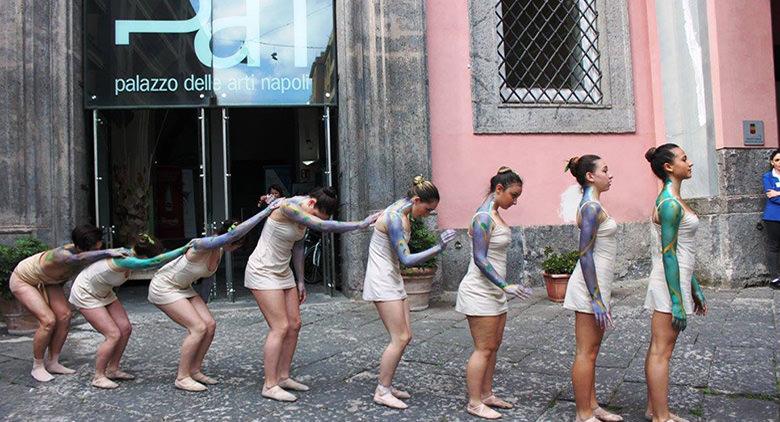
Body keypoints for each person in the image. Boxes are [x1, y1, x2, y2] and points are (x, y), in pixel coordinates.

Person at [246, 187, 380, 402]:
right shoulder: (288, 207)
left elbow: (298, 247)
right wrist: (361, 224)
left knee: (295, 324)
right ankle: (269, 385)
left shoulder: (306, 212)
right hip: (262, 270)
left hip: (283, 272)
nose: (315, 220)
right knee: (280, 327)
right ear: (310, 204)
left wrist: (300, 280)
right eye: (316, 215)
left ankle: (283, 377)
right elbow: (322, 225)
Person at [148, 200, 281, 392]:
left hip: (183, 287)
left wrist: (201, 304)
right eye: (236, 244)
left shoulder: (219, 251)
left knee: (209, 325)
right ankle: (182, 376)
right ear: (229, 239)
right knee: (198, 327)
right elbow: (231, 236)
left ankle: (195, 370)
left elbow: (207, 280)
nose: (236, 249)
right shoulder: (204, 244)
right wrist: (266, 212)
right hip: (164, 286)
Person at [363, 176, 456, 410]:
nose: (428, 214)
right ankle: (382, 391)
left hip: (392, 278)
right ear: (416, 200)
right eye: (427, 209)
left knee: (406, 336)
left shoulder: (402, 211)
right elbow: (406, 258)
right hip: (382, 281)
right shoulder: (395, 217)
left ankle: (387, 384)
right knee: (400, 337)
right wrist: (439, 247)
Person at [456, 167, 533, 419]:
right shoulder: (483, 218)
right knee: (483, 348)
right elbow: (480, 258)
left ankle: (487, 394)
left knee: (493, 346)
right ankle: (474, 401)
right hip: (480, 291)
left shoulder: (494, 212)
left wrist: (502, 288)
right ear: (498, 190)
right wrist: (505, 285)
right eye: (513, 194)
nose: (516, 200)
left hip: (494, 292)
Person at [8, 224, 128, 382]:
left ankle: (53, 362)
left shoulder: (88, 251)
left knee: (65, 315)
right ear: (79, 246)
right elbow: (79, 258)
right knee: (48, 320)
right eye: (93, 249)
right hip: (23, 280)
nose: (96, 251)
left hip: (50, 281)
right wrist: (107, 252)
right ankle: (37, 366)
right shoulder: (62, 254)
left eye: (99, 246)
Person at [69, 234, 190, 389]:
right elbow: (154, 262)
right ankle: (98, 376)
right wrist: (184, 249)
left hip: (103, 291)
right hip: (86, 293)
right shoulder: (125, 258)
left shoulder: (129, 253)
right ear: (143, 255)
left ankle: (113, 369)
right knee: (113, 334)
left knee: (125, 328)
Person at [643, 144, 707, 422]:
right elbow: (668, 253)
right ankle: (661, 416)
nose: (689, 162)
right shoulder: (669, 203)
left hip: (678, 277)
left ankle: (653, 408)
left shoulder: (675, 199)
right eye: (684, 158)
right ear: (669, 167)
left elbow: (682, 251)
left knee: (658, 347)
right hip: (669, 281)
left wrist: (695, 286)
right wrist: (677, 300)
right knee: (662, 351)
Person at [562, 156, 622, 422]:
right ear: (590, 176)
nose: (610, 175)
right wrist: (596, 298)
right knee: (585, 351)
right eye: (605, 170)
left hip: (598, 285)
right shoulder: (589, 207)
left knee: (593, 350)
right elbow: (584, 254)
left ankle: (593, 405)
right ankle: (582, 413)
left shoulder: (594, 204)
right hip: (589, 288)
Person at [761, 149, 780, 289]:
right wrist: (776, 194)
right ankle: (775, 278)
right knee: (773, 246)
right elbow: (772, 197)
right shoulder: (767, 176)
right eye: (777, 160)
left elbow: (776, 195)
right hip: (773, 217)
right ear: (772, 162)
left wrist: (778, 192)